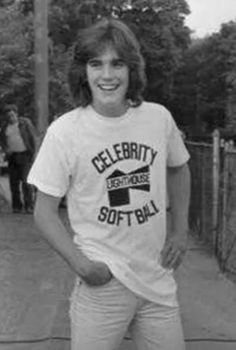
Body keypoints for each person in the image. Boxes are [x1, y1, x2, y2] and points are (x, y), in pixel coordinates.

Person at [27, 18, 190, 350]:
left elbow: (179, 168)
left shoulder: (158, 118)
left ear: (132, 69)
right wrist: (82, 266)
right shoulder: (66, 132)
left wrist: (180, 229)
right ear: (83, 72)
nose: (107, 75)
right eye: (95, 63)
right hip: (103, 285)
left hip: (157, 278)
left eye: (117, 63)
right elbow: (43, 212)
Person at [0, 104, 36, 213]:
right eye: (8, 116)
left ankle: (29, 206)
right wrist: (6, 149)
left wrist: (34, 153)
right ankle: (17, 206)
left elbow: (33, 137)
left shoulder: (25, 123)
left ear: (16, 114)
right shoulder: (5, 127)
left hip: (25, 155)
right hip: (12, 157)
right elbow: (2, 140)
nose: (11, 118)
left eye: (12, 115)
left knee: (26, 182)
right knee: (13, 183)